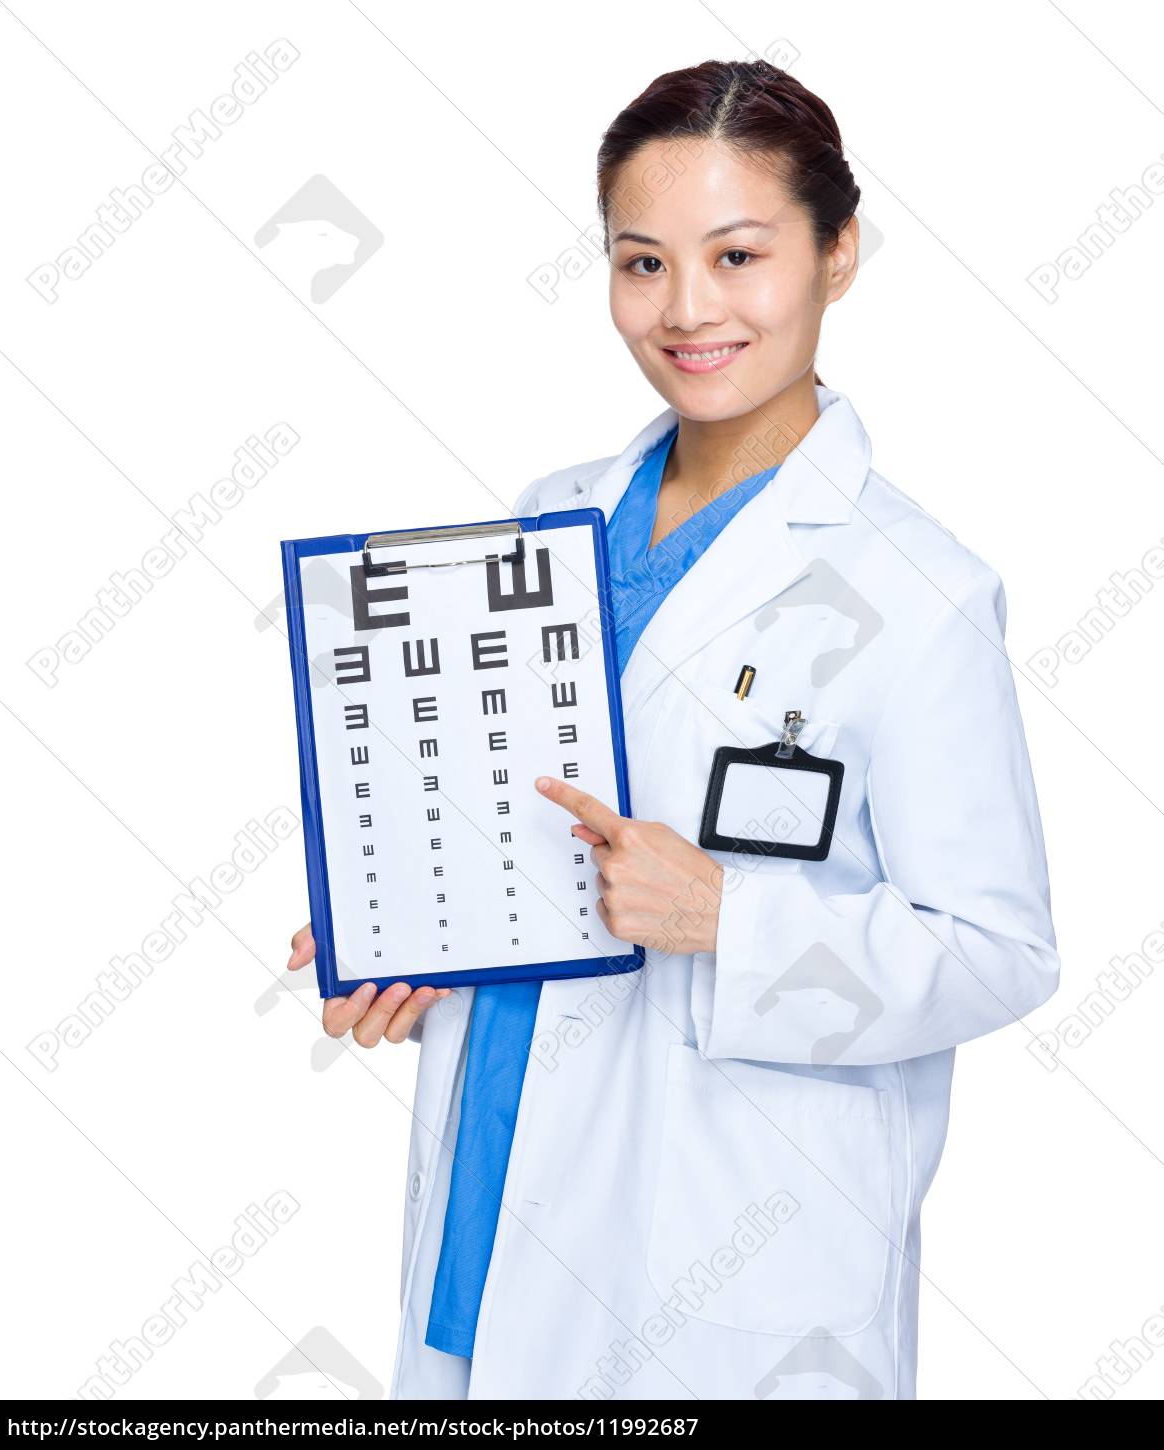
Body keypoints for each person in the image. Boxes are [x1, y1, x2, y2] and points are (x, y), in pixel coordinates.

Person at [286, 58, 1059, 1401]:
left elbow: (1001, 950)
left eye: (739, 254)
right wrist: (416, 922)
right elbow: (518, 834)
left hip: (729, 1276)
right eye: (643, 263)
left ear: (839, 252)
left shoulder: (918, 592)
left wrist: (731, 917)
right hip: (493, 1213)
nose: (689, 309)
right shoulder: (549, 516)